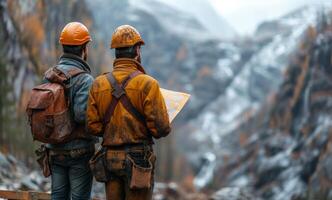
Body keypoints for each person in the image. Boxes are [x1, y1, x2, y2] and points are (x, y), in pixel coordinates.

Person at [87, 25, 171, 200]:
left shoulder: (98, 84)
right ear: (138, 50)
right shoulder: (149, 84)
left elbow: (93, 127)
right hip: (139, 160)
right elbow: (161, 129)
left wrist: (113, 131)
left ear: (116, 52)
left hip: (110, 158)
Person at [46, 22, 95, 200]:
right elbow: (82, 115)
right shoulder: (84, 79)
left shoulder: (51, 74)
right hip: (79, 152)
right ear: (84, 48)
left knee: (58, 196)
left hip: (54, 149)